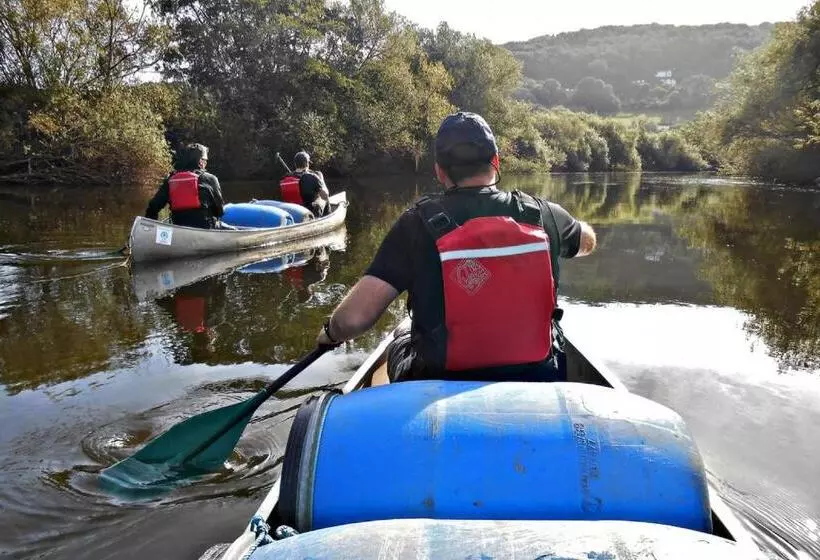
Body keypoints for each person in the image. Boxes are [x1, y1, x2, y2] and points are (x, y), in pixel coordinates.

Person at [316, 111, 597, 382]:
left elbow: (353, 320)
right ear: (496, 161)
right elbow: (586, 242)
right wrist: (568, 228)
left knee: (402, 333)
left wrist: (330, 333)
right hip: (538, 377)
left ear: (439, 171)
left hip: (440, 381)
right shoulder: (544, 215)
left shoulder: (415, 224)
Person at [145, 143, 228, 229]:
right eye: (205, 160)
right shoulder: (211, 179)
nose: (206, 163)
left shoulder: (171, 180)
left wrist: (150, 228)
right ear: (200, 162)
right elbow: (220, 211)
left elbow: (153, 206)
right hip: (205, 229)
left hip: (178, 229)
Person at [279, 151, 330, 216]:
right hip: (308, 213)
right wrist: (322, 181)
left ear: (295, 164)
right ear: (307, 163)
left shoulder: (284, 178)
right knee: (323, 199)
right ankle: (328, 215)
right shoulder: (312, 176)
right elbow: (325, 196)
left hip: (291, 211)